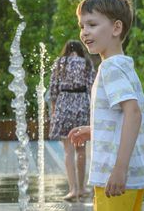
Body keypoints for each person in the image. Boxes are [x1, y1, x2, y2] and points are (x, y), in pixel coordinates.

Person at [68, 0, 144, 211]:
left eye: (92, 24)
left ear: (116, 28)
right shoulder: (124, 66)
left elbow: (134, 113)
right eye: (82, 26)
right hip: (132, 176)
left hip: (114, 179)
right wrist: (94, 130)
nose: (84, 32)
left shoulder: (110, 67)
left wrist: (119, 169)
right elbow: (126, 117)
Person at [48, 40, 95, 201]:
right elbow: (92, 87)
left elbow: (53, 88)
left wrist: (54, 110)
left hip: (63, 104)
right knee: (80, 149)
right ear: (81, 50)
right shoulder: (87, 63)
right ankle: (82, 188)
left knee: (68, 151)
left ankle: (72, 189)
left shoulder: (60, 63)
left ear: (66, 50)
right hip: (82, 103)